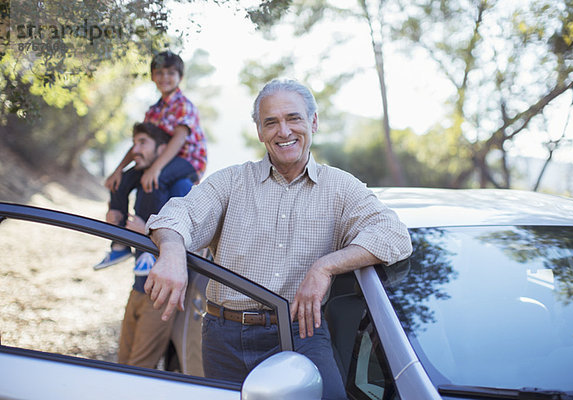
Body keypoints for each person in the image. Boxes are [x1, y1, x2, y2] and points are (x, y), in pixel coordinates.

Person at [144, 79, 412, 399]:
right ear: (260, 132)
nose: (283, 131)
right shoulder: (231, 181)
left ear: (313, 122)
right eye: (271, 122)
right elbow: (178, 214)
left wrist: (325, 267)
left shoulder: (341, 188)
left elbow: (394, 234)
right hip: (222, 336)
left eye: (293, 118)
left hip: (301, 333)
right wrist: (172, 251)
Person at [95, 50, 207, 269]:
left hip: (187, 161)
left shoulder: (184, 105)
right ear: (153, 76)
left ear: (180, 77)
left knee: (155, 179)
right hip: (161, 160)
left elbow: (179, 138)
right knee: (123, 180)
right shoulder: (154, 110)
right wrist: (119, 169)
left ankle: (149, 247)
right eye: (159, 72)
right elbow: (142, 143)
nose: (165, 77)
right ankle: (119, 243)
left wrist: (156, 168)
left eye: (170, 73)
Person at [114, 121, 194, 368]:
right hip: (138, 285)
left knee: (139, 369)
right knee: (121, 363)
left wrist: (145, 230)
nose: (135, 150)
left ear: (162, 149)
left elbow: (192, 240)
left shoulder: (181, 186)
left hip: (161, 293)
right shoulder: (142, 184)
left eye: (142, 143)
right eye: (134, 143)